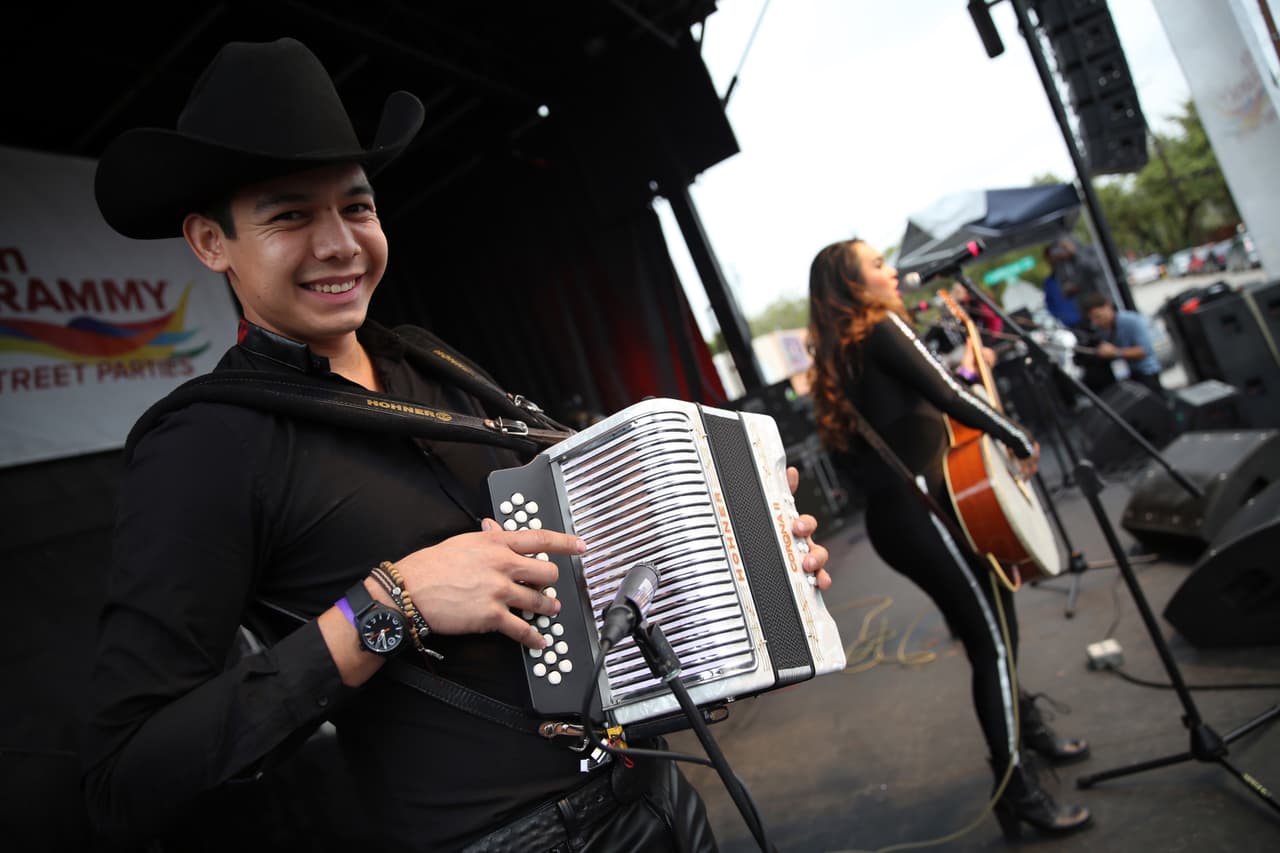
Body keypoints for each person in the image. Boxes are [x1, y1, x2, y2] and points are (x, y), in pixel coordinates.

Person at [82, 38, 833, 852]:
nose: (339, 243)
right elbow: (127, 775)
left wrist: (741, 557)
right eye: (290, 214)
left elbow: (582, 562)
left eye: (357, 206)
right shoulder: (202, 445)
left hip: (653, 788)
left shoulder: (428, 360)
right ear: (210, 241)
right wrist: (389, 603)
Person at [805, 238, 1092, 842]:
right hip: (924, 514)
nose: (892, 272)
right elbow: (951, 395)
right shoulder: (881, 327)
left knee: (996, 621)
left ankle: (1028, 733)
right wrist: (1017, 436)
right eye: (878, 265)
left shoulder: (845, 354)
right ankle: (1015, 791)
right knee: (990, 635)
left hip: (903, 518)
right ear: (856, 288)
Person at [1078, 292, 1164, 395]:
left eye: (1098, 316)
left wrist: (1115, 352)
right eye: (1093, 319)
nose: (1097, 322)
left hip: (1145, 374)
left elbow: (1144, 351)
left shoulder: (1130, 321)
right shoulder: (1101, 331)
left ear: (1107, 307)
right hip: (1125, 376)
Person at [1045, 236, 1104, 318]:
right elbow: (1063, 290)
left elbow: (1095, 269)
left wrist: (1075, 253)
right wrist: (1068, 289)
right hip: (1085, 309)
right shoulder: (1062, 266)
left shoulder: (1088, 251)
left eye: (1063, 248)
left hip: (1102, 301)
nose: (1061, 252)